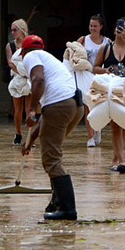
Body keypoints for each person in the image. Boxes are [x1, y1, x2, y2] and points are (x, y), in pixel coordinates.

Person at [20, 35, 84, 220]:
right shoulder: (50, 59)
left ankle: (67, 209)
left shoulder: (30, 57)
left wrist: (31, 109)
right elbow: (47, 117)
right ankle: (55, 202)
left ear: (23, 51)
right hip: (75, 106)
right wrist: (31, 140)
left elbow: (38, 80)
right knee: (53, 154)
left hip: (60, 106)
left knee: (51, 159)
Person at [93, 17, 125, 173]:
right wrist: (108, 70)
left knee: (124, 123)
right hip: (111, 89)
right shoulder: (105, 48)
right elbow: (95, 67)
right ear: (114, 30)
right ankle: (121, 160)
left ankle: (116, 157)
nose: (121, 30)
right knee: (114, 125)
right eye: (119, 28)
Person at [77, 14, 110, 147]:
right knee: (88, 106)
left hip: (101, 77)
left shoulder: (107, 42)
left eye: (95, 26)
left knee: (100, 106)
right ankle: (90, 136)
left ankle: (98, 129)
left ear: (101, 27)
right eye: (91, 25)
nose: (93, 28)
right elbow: (73, 53)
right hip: (85, 76)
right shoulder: (83, 39)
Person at [6, 18, 32, 145]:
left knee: (30, 109)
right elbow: (10, 62)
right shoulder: (10, 45)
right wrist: (21, 72)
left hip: (29, 79)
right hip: (18, 78)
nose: (13, 32)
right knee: (18, 109)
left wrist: (29, 74)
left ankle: (30, 135)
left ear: (22, 30)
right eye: (11, 30)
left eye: (15, 30)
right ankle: (18, 133)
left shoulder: (31, 44)